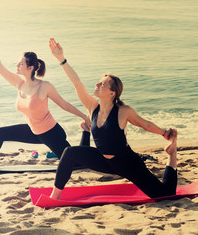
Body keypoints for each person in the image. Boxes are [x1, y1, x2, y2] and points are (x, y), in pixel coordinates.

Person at [48, 38, 178, 200]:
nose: (97, 84)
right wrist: (61, 59)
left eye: (102, 84)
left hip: (127, 163)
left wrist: (164, 133)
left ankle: (172, 154)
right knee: (70, 152)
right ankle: (55, 196)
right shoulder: (92, 107)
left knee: (165, 194)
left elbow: (145, 125)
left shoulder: (123, 111)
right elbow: (76, 82)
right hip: (103, 161)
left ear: (112, 93)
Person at [0, 27, 91, 168]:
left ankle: (86, 131)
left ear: (30, 68)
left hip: (51, 133)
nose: (17, 65)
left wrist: (84, 117)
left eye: (21, 63)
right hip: (33, 132)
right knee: (1, 133)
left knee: (77, 164)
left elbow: (63, 104)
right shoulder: (19, 84)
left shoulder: (44, 86)